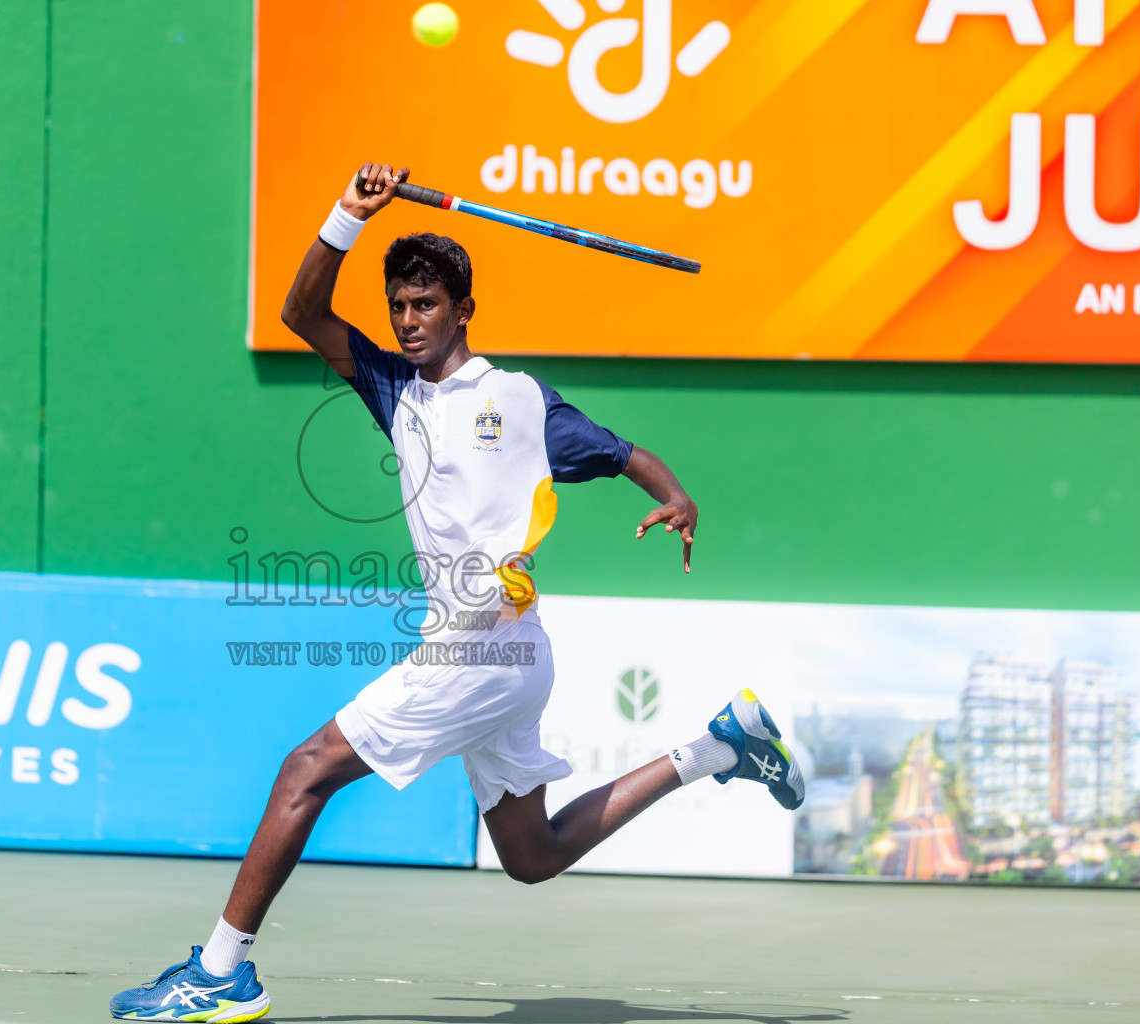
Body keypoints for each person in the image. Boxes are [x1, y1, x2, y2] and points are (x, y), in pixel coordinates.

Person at [108, 163, 804, 1023]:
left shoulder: (519, 400)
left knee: (305, 771)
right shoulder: (391, 389)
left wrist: (676, 497)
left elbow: (626, 454)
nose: (408, 321)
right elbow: (302, 313)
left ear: (463, 309)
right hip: (502, 654)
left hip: (485, 646)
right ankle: (718, 748)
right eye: (400, 305)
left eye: (426, 304)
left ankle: (220, 972)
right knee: (533, 856)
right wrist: (344, 215)